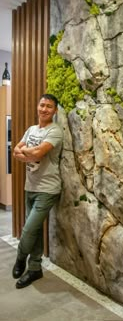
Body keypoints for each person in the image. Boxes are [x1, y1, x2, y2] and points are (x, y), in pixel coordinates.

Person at [12, 93, 63, 289]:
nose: (44, 109)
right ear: (37, 106)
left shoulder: (55, 131)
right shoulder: (31, 129)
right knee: (35, 231)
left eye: (49, 106)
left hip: (47, 188)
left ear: (54, 110)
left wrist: (25, 153)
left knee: (28, 230)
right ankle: (34, 269)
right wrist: (27, 153)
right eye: (42, 105)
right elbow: (16, 150)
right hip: (30, 186)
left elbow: (38, 152)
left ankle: (20, 257)